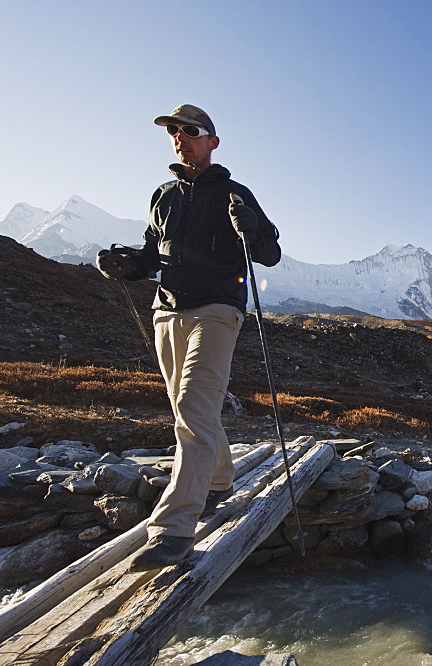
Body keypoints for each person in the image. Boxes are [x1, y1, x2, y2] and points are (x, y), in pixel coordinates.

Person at [96, 104, 281, 571]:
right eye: (174, 132)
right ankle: (219, 479)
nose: (181, 138)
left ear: (212, 141)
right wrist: (128, 266)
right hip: (167, 311)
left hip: (218, 309)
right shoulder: (163, 196)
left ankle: (174, 530)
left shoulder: (236, 194)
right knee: (186, 407)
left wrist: (252, 228)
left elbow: (270, 253)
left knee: (195, 410)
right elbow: (151, 255)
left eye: (191, 131)